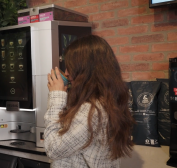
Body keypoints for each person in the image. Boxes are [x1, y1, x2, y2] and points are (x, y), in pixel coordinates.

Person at [45, 35, 134, 168]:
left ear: (86, 69)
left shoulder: (91, 111)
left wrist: (56, 97)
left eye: (71, 67)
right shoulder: (107, 101)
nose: (67, 73)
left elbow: (53, 149)